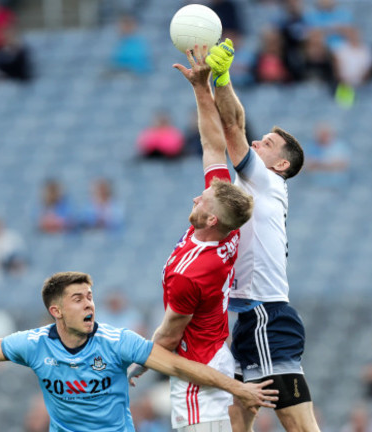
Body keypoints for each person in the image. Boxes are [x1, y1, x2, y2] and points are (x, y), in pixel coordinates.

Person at [0, 271, 279, 431]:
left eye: (90, 297)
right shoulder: (32, 345)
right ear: (56, 311)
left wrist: (237, 388)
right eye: (78, 299)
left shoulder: (118, 342)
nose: (89, 304)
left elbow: (181, 367)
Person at [130, 45, 255, 431]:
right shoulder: (221, 227)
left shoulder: (192, 271)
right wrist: (201, 88)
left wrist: (135, 363)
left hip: (198, 382)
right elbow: (213, 144)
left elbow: (168, 336)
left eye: (202, 197)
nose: (196, 195)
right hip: (217, 355)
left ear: (212, 216)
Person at [205, 39, 320, 431]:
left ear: (281, 163)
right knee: (237, 413)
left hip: (266, 314)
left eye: (267, 144)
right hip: (250, 316)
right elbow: (231, 128)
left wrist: (222, 79)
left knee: (298, 423)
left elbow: (233, 126)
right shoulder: (260, 185)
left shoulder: (267, 180)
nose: (256, 144)